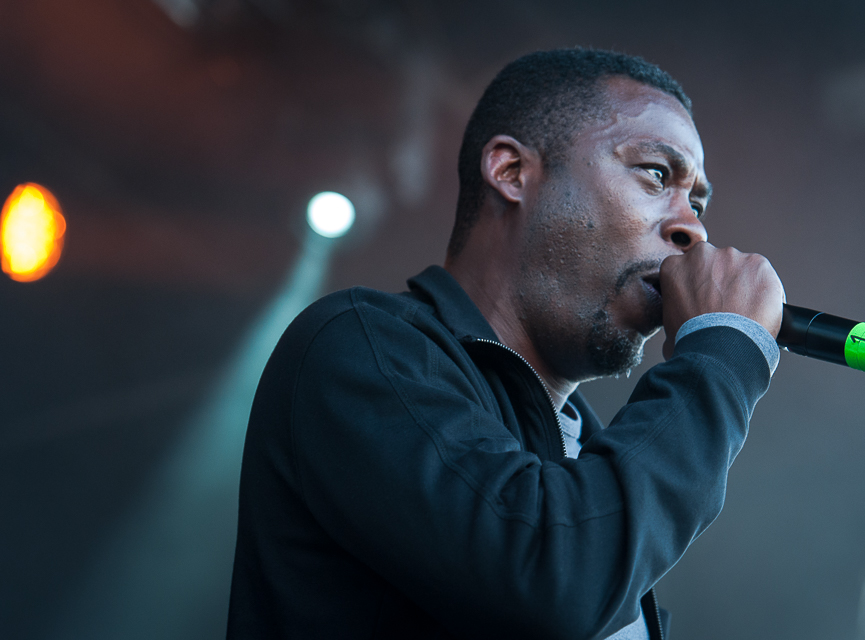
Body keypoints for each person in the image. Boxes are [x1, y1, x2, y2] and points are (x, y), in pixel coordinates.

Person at [227, 48, 784, 640]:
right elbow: (553, 578)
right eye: (655, 174)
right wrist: (723, 354)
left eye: (697, 202)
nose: (693, 228)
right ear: (512, 172)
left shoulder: (597, 463)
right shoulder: (361, 347)